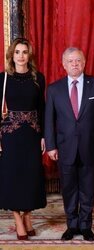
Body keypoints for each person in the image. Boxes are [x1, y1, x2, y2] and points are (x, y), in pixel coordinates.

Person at [45, 47, 94, 241]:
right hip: (64, 148)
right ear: (63, 64)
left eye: (78, 60)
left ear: (84, 62)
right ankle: (72, 225)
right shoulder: (54, 89)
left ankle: (85, 225)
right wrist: (51, 146)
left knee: (88, 188)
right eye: (70, 61)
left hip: (90, 146)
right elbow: (49, 121)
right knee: (69, 188)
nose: (74, 64)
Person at [0, 38, 47, 240]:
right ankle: (17, 217)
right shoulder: (2, 78)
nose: (21, 56)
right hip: (10, 136)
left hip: (32, 134)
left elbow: (42, 109)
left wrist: (44, 135)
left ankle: (27, 214)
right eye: (17, 52)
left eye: (24, 52)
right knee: (12, 176)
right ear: (12, 55)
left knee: (31, 176)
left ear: (29, 55)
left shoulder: (39, 78)